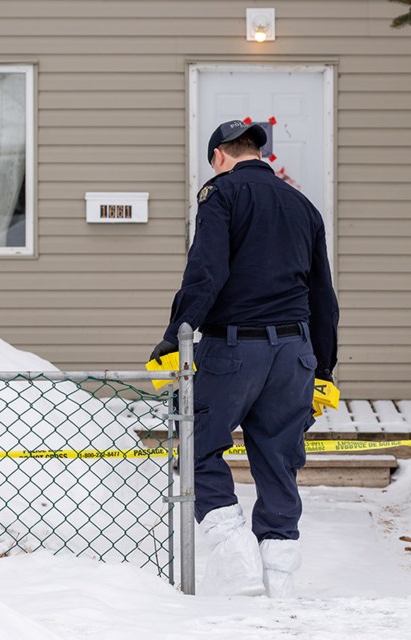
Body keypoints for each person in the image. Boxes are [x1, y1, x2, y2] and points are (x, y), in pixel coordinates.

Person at [149, 119, 339, 598]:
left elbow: (206, 272)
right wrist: (324, 370)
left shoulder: (221, 195)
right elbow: (323, 296)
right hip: (295, 350)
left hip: (233, 347)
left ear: (219, 156)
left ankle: (235, 552)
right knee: (278, 458)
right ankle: (278, 576)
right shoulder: (304, 206)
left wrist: (174, 340)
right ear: (259, 153)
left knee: (195, 442)